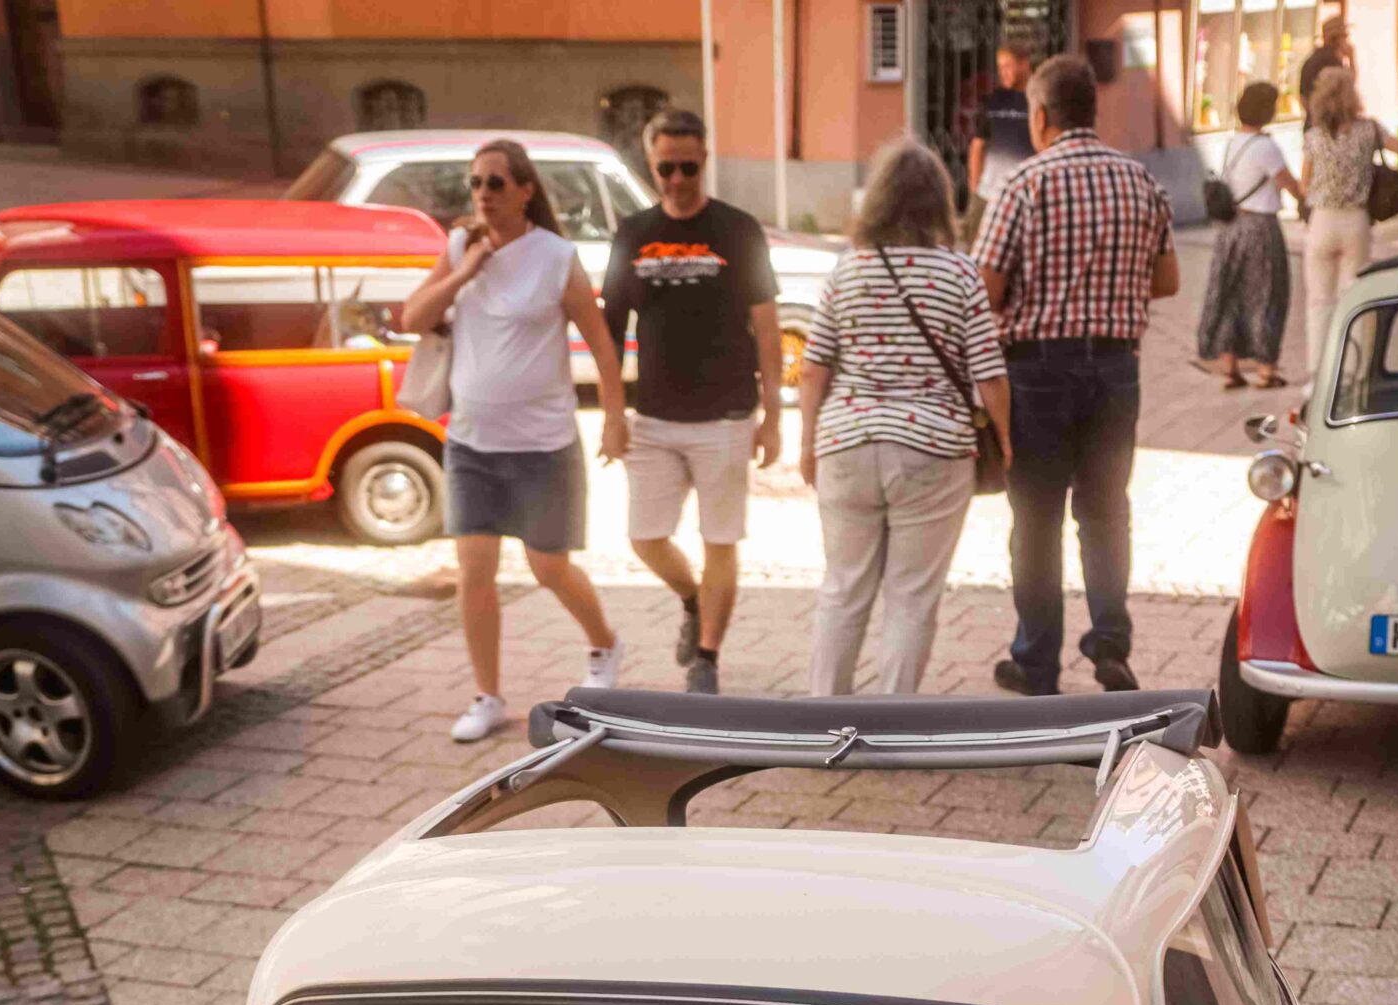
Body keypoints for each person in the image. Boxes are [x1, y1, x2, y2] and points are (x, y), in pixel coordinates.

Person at [401, 138, 628, 745]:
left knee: (549, 566)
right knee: (474, 571)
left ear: (525, 191)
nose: (483, 194)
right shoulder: (460, 249)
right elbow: (412, 318)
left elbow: (602, 345)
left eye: (495, 183)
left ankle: (605, 645)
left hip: (542, 443)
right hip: (472, 443)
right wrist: (465, 271)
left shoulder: (555, 256)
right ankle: (488, 696)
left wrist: (613, 418)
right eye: (475, 183)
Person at [974, 51, 1179, 697]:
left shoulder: (1023, 184)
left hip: (1036, 371)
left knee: (1036, 519)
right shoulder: (1139, 181)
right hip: (1116, 369)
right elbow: (1167, 280)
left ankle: (1036, 663)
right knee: (1105, 512)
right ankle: (1109, 642)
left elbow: (984, 289)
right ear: (1092, 110)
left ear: (1040, 116)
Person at [799, 138, 1009, 695]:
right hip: (933, 452)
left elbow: (814, 368)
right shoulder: (960, 273)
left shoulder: (847, 271)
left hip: (846, 445)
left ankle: (823, 718)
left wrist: (807, 444)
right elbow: (989, 373)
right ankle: (892, 723)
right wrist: (1007, 441)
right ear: (940, 201)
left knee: (843, 590)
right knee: (912, 598)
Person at [601, 106, 781, 695]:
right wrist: (611, 417)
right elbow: (609, 334)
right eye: (665, 169)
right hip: (653, 417)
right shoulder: (633, 233)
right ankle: (692, 599)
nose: (677, 180)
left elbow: (768, 327)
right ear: (651, 166)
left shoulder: (738, 230)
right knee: (645, 538)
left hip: (726, 415)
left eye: (688, 168)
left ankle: (707, 657)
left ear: (704, 160)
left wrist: (773, 415)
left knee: (720, 541)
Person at [1195, 82, 1304, 388]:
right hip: (1260, 229)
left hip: (1231, 228)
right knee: (1268, 294)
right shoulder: (1266, 147)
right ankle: (1266, 369)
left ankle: (1231, 368)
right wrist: (1306, 198)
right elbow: (1289, 184)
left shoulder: (1233, 142)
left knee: (1232, 295)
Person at [1303, 66, 1380, 376]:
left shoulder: (1314, 137)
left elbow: (1304, 186)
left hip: (1323, 220)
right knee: (1354, 297)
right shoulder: (1370, 131)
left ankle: (1317, 374)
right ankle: (1352, 372)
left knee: (1319, 300)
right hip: (1356, 221)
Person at [968, 40, 1035, 229]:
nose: (1002, 72)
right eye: (1000, 67)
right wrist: (975, 189)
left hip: (1023, 198)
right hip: (987, 195)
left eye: (1008, 66)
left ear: (1024, 64)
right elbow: (977, 146)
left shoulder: (1038, 100)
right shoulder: (993, 100)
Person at [1298, 16, 1353, 111]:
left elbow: (1303, 98)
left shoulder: (1311, 59)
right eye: (1345, 36)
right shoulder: (1332, 61)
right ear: (1338, 38)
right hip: (1330, 117)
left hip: (1314, 116)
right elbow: (1349, 87)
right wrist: (1352, 58)